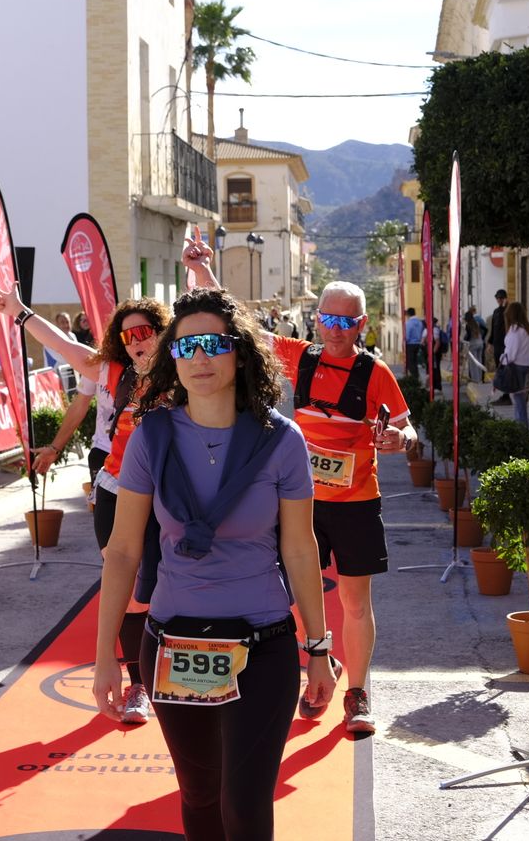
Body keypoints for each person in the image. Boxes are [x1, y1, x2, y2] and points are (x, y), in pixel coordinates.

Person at [92, 286, 335, 840]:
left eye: (213, 344)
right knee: (200, 797)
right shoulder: (151, 435)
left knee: (245, 805)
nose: (199, 358)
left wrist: (318, 650)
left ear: (240, 352)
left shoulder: (282, 440)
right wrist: (106, 653)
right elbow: (124, 551)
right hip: (174, 642)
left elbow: (300, 549)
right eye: (185, 346)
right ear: (171, 358)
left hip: (263, 642)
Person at [192, 257, 413, 735]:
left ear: (362, 324)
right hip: (302, 501)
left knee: (355, 601)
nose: (336, 330)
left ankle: (357, 693)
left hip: (356, 501)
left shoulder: (374, 373)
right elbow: (242, 322)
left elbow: (404, 425)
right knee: (293, 594)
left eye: (347, 322)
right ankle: (323, 660)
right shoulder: (302, 356)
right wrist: (206, 272)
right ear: (318, 320)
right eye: (329, 320)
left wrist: (402, 441)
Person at [0, 282, 171, 726]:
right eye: (128, 336)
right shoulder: (113, 372)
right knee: (127, 586)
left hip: (170, 492)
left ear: (163, 333)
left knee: (167, 583)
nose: (139, 341)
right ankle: (138, 685)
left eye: (146, 331)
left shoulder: (186, 369)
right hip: (116, 487)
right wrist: (19, 311)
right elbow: (65, 346)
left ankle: (178, 668)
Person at [498, 302, 529, 424]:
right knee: (520, 400)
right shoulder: (528, 330)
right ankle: (520, 427)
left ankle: (522, 429)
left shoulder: (515, 331)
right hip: (526, 366)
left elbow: (511, 355)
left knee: (519, 401)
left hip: (517, 368)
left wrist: (501, 358)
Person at [488, 291, 508, 383]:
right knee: (498, 365)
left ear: (505, 299)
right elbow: (493, 328)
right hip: (497, 343)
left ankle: (506, 391)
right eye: (498, 298)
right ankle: (502, 387)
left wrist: (504, 306)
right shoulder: (496, 311)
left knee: (505, 365)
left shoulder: (508, 310)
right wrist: (490, 343)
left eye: (501, 298)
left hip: (505, 344)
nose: (499, 300)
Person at [403, 307, 425, 381]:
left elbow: (407, 335)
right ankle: (416, 376)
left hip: (410, 344)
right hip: (418, 343)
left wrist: (405, 342)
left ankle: (414, 378)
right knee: (415, 361)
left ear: (408, 314)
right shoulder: (420, 322)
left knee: (411, 362)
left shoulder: (408, 323)